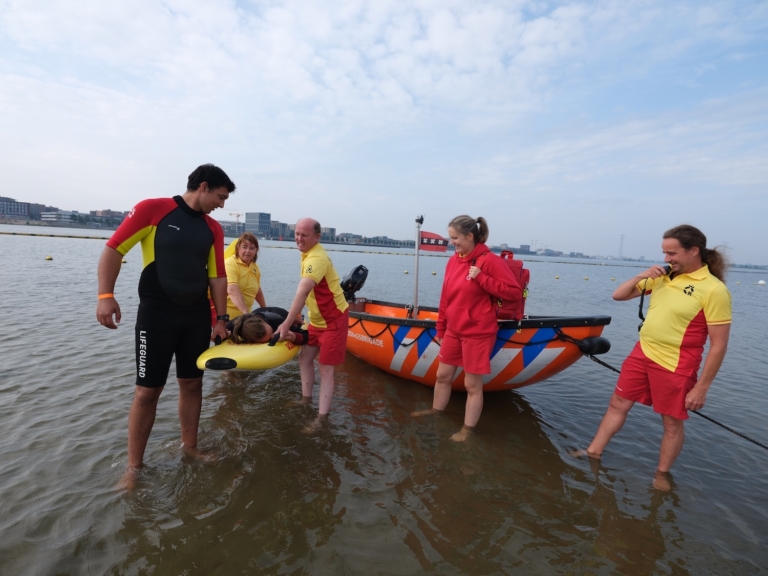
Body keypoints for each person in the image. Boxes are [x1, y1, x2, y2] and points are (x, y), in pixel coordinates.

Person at [96, 163, 236, 491]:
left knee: (192, 385)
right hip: (156, 316)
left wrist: (221, 319)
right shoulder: (153, 209)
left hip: (196, 317)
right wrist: (105, 295)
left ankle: (191, 447)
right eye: (220, 196)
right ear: (203, 186)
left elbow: (217, 275)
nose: (222, 204)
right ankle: (134, 468)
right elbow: (114, 249)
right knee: (147, 392)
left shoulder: (213, 229)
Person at [580, 224, 731, 490]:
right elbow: (619, 295)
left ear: (693, 250)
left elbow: (719, 345)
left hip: (677, 363)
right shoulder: (662, 276)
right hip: (643, 353)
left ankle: (661, 475)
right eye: (664, 253)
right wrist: (642, 274)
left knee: (671, 423)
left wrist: (702, 388)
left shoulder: (713, 289)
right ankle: (593, 452)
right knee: (617, 404)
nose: (666, 259)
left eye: (672, 253)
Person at [412, 215, 522, 442]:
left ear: (469, 236)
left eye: (455, 238)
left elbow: (514, 293)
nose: (452, 242)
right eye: (451, 238)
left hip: (478, 333)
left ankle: (467, 430)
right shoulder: (454, 260)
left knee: (472, 385)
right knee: (442, 376)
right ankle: (436, 412)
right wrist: (441, 328)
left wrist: (482, 278)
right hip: (453, 329)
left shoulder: (489, 261)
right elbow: (446, 297)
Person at [276, 218, 349, 433]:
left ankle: (321, 418)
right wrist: (299, 314)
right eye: (297, 233)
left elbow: (303, 291)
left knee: (326, 370)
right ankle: (306, 400)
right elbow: (310, 295)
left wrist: (286, 325)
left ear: (317, 237)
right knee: (305, 357)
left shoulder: (317, 258)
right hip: (316, 321)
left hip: (334, 321)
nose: (299, 238)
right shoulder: (306, 254)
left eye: (304, 235)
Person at [224, 232, 266, 320]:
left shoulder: (255, 267)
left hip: (246, 316)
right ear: (238, 248)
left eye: (252, 248)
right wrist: (246, 313)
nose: (248, 251)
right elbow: (232, 289)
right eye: (244, 247)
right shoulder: (230, 263)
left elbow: (257, 290)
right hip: (228, 315)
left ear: (256, 250)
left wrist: (265, 309)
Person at [229, 307, 308, 345]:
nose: (273, 336)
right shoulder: (238, 323)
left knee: (297, 320)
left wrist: (294, 336)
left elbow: (307, 335)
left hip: (279, 314)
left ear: (263, 321)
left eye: (271, 335)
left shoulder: (278, 323)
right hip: (258, 312)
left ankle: (290, 312)